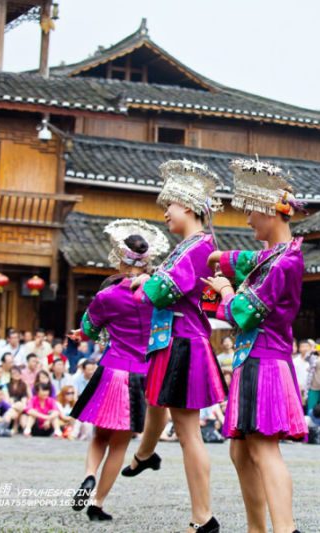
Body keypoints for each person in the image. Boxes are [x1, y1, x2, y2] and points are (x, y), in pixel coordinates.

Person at [205, 157, 307, 533]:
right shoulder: (274, 256)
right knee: (241, 449)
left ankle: (285, 529)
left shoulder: (283, 262)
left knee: (263, 449)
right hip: (256, 358)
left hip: (264, 360)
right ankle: (257, 528)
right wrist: (220, 258)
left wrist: (225, 290)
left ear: (270, 211)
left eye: (251, 211)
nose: (247, 220)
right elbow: (245, 258)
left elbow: (244, 314)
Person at [128, 161, 227, 533]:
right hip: (173, 340)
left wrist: (144, 283)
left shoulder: (198, 248)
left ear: (186, 205)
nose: (165, 213)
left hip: (183, 342)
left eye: (168, 205)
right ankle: (145, 453)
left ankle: (203, 517)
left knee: (188, 432)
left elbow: (162, 290)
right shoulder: (189, 246)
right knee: (158, 405)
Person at [67, 223, 169, 521]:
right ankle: (97, 503)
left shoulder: (107, 296)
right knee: (119, 445)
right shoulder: (156, 296)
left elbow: (89, 329)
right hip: (140, 374)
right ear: (146, 262)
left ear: (121, 261)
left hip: (111, 369)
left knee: (99, 436)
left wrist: (82, 333)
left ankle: (89, 475)